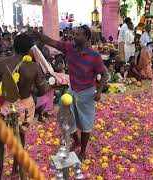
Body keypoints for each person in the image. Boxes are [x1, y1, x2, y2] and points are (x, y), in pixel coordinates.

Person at [33, 25, 108, 161]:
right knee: (64, 118)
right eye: (74, 34)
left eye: (78, 34)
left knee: (85, 123)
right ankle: (76, 140)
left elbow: (104, 74)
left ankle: (83, 150)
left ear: (86, 37)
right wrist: (38, 35)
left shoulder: (94, 56)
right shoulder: (69, 48)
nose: (74, 36)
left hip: (87, 93)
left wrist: (99, 92)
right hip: (72, 90)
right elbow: (51, 42)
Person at [0, 33, 48, 180]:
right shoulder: (34, 67)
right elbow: (42, 91)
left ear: (13, 46)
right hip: (25, 107)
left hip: (4, 106)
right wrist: (29, 87)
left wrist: (1, 85)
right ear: (30, 49)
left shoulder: (0, 62)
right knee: (20, 139)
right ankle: (15, 171)